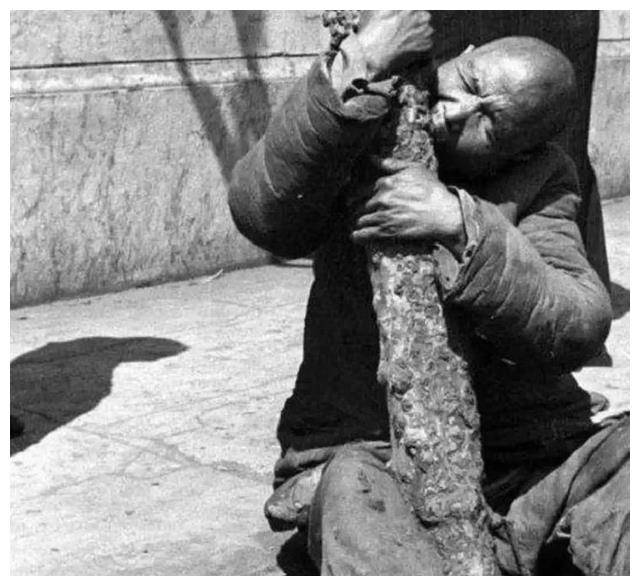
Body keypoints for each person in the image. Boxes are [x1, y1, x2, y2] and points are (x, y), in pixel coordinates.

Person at [228, 12, 628, 575]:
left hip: (521, 454)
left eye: (490, 124)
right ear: (461, 55)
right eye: (468, 83)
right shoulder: (362, 118)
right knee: (354, 497)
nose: (457, 111)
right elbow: (259, 209)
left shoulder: (542, 176)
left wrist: (460, 224)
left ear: (521, 151)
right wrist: (358, 65)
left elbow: (580, 319)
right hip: (373, 451)